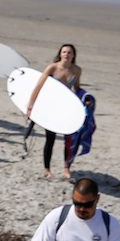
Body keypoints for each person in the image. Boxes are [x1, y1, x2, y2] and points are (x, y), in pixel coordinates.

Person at [27, 44, 82, 179]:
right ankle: (47, 168)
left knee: (68, 139)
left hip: (65, 107)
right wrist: (30, 106)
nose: (66, 54)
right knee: (50, 138)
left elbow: (77, 89)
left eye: (69, 52)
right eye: (64, 52)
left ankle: (66, 168)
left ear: (73, 55)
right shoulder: (52, 67)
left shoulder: (77, 70)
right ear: (60, 54)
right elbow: (38, 87)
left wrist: (84, 103)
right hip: (50, 107)